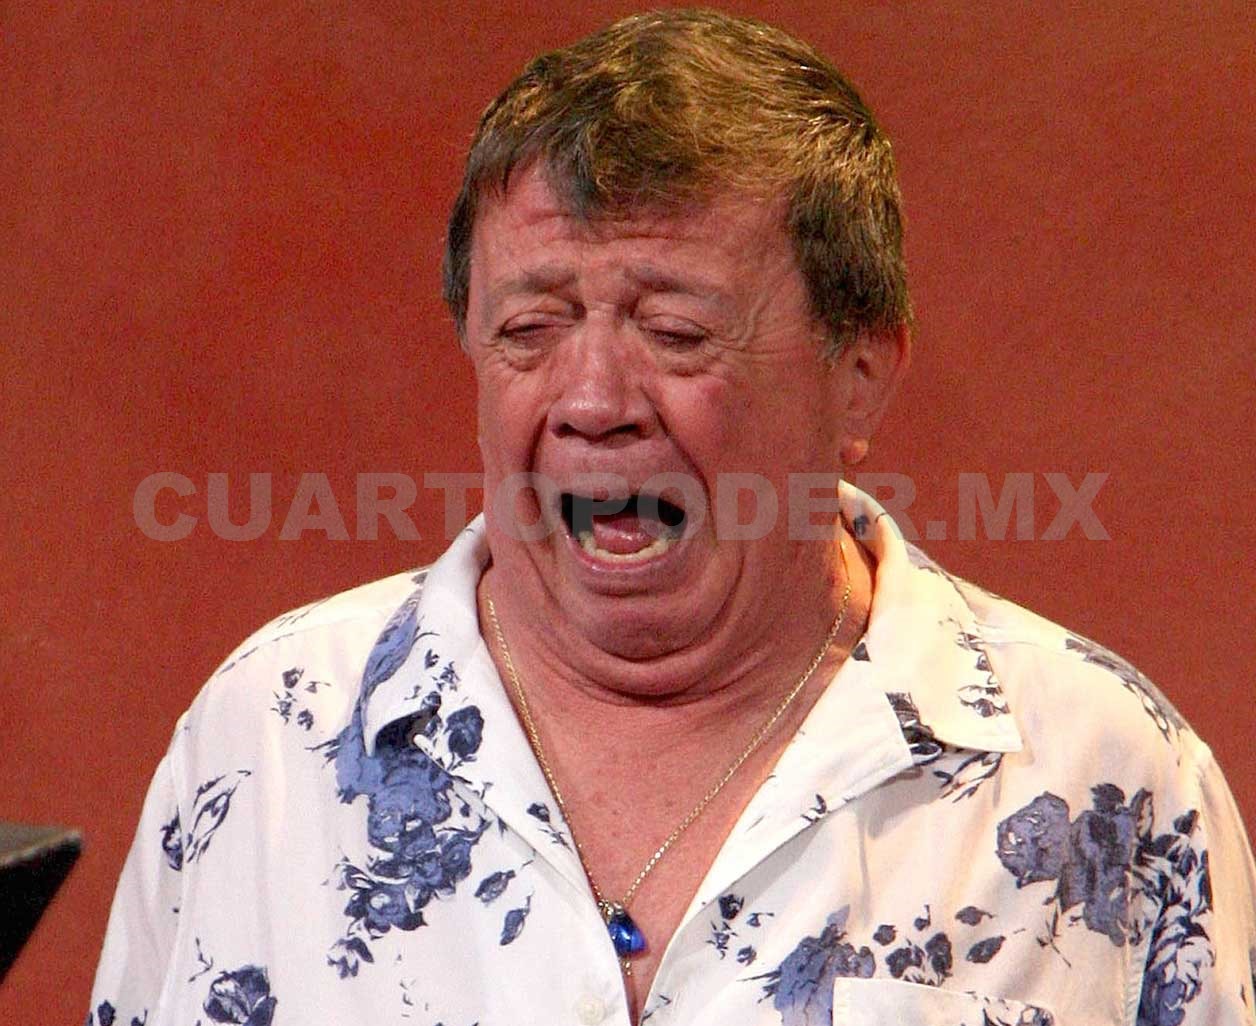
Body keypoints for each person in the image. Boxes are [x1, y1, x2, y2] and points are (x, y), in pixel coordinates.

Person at [89, 9, 1256, 1026]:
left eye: (675, 332)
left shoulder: (1102, 774)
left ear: (857, 376)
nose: (593, 401)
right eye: (529, 329)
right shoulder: (267, 740)